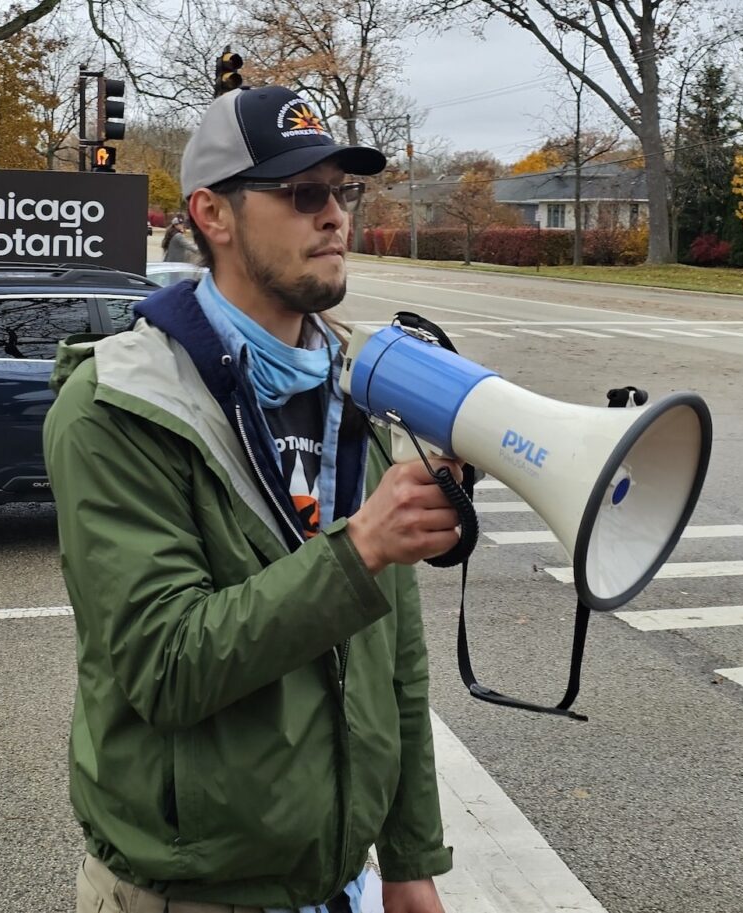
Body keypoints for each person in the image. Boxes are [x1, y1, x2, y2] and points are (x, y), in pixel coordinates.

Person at [44, 84, 460, 913]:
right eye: (303, 194)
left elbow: (396, 654)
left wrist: (410, 857)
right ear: (213, 214)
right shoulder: (115, 404)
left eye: (342, 192)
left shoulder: (358, 394)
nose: (335, 216)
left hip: (342, 886)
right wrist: (362, 549)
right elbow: (165, 664)